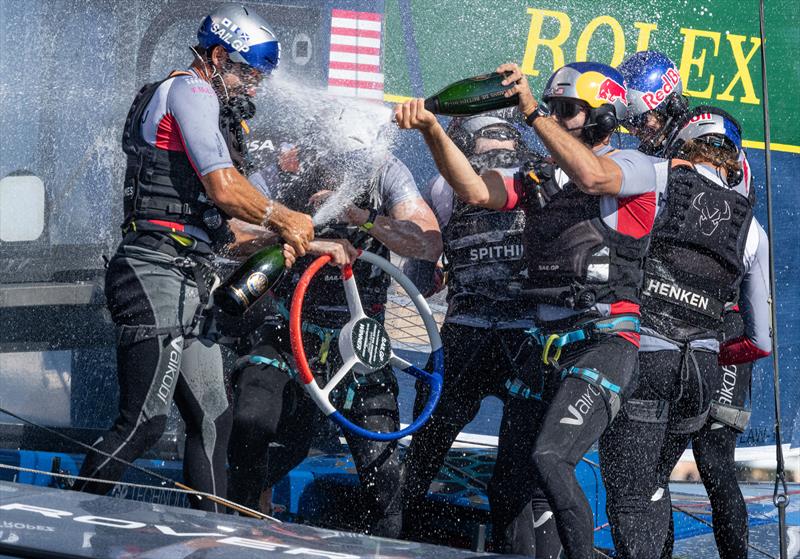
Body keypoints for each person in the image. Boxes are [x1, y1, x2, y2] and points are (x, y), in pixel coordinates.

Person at [396, 60, 664, 558]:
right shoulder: (541, 174)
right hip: (544, 351)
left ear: (605, 117)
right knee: (509, 485)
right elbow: (475, 190)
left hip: (604, 345)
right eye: (554, 109)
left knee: (550, 458)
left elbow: (592, 174)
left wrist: (535, 112)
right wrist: (433, 130)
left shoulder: (634, 166)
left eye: (569, 111)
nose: (557, 119)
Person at [73, 4, 320, 511]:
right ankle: (68, 520)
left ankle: (207, 538)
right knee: (144, 422)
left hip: (191, 278)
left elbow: (225, 229)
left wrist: (303, 243)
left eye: (261, 77)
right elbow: (225, 188)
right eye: (250, 73)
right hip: (152, 270)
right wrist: (285, 217)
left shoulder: (212, 105)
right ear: (217, 56)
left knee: (213, 418)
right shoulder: (191, 89)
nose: (255, 86)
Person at [227, 142, 442, 537]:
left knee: (386, 480)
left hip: (360, 345)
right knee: (251, 425)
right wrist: (294, 236)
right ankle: (234, 531)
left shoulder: (385, 171)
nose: (331, 166)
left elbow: (427, 242)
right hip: (287, 335)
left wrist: (359, 217)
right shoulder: (285, 168)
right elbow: (232, 236)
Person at [598, 107, 772, 559]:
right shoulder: (752, 222)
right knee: (688, 474)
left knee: (637, 488)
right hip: (709, 360)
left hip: (658, 350)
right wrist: (718, 351)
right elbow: (762, 340)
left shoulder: (660, 177)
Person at [400, 112, 561, 556]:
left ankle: (389, 544)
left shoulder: (443, 184)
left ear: (463, 141)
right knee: (516, 486)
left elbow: (423, 275)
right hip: (530, 343)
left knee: (419, 464)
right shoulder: (546, 172)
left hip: (464, 340)